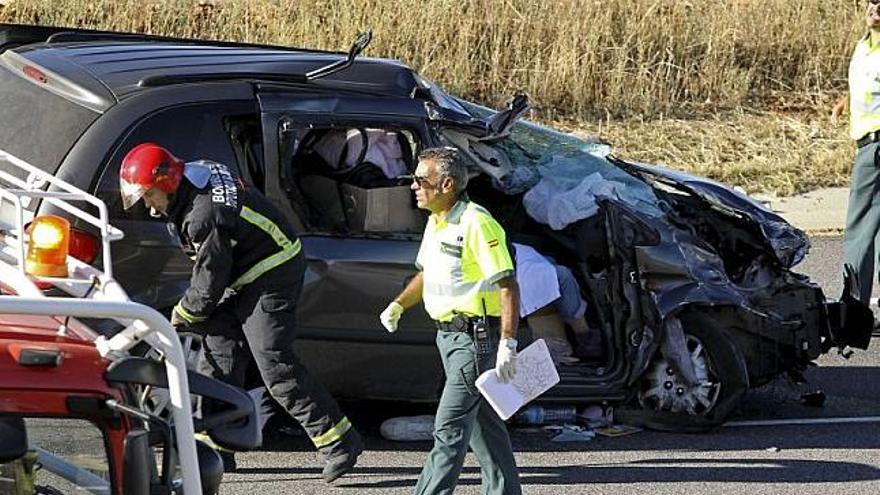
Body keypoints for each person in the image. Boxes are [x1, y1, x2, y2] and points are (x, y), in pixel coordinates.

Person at [118, 142, 362, 481]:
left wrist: (183, 315)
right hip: (241, 270)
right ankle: (216, 447)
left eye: (149, 195)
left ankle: (340, 441)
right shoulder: (193, 173)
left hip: (272, 271)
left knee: (273, 361)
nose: (148, 206)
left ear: (167, 183)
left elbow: (209, 280)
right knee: (219, 355)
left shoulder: (204, 216)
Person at [379, 147, 522, 495]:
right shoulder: (437, 221)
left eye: (420, 180)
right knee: (483, 426)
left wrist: (508, 343)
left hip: (475, 340)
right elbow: (428, 273)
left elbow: (508, 284)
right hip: (449, 338)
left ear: (446, 184)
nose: (412, 186)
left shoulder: (476, 222)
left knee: (449, 431)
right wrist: (399, 304)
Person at [837, 0, 880, 304]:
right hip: (869, 142)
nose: (874, 6)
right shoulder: (865, 44)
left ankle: (852, 312)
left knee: (860, 228)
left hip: (875, 148)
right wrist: (846, 100)